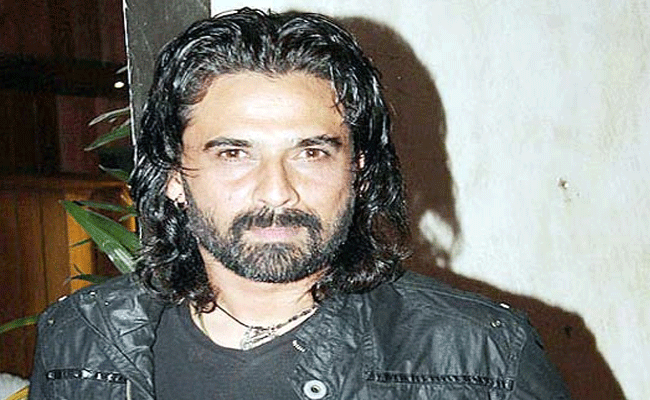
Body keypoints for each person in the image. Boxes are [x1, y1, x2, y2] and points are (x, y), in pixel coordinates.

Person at [28, 8, 570, 400]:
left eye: (311, 153)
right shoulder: (81, 340)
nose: (276, 190)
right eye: (234, 154)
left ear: (358, 173)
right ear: (172, 176)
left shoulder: (481, 357)